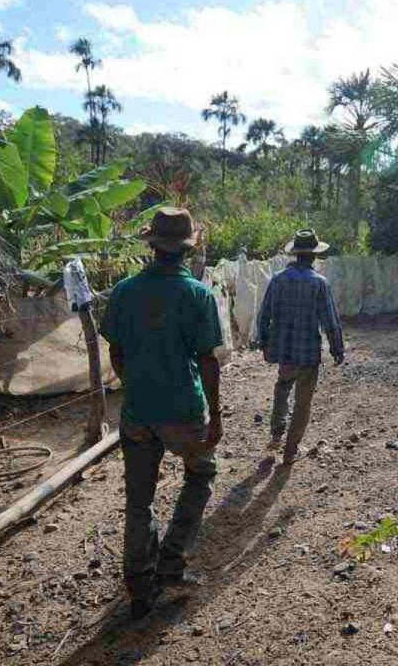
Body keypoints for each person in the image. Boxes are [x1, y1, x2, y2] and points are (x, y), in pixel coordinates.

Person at [102, 206, 224, 621]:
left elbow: (116, 352)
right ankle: (172, 563)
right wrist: (217, 415)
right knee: (201, 474)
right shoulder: (198, 295)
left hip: (138, 412)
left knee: (139, 500)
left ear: (152, 246)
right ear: (188, 249)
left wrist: (134, 384)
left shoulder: (124, 292)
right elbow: (208, 361)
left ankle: (139, 584)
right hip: (183, 410)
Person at [256, 229, 345, 465]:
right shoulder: (319, 283)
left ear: (295, 254)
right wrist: (337, 349)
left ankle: (276, 432)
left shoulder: (277, 279)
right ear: (314, 256)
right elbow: (330, 321)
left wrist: (263, 343)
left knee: (282, 388)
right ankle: (290, 450)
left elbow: (263, 315)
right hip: (308, 355)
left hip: (284, 351)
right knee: (302, 403)